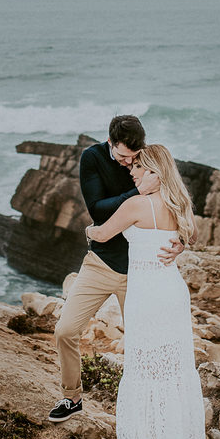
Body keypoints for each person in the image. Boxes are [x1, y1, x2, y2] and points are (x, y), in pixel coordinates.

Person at [49, 115, 183, 423]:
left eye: (134, 158)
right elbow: (97, 209)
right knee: (65, 330)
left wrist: (181, 242)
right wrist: (137, 193)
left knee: (143, 343)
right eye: (123, 157)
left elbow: (174, 203)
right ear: (111, 143)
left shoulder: (146, 160)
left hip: (141, 271)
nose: (128, 164)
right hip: (101, 262)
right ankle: (72, 398)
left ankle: (150, 409)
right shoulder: (92, 158)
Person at [86, 144, 206, 439]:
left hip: (146, 293)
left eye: (137, 166)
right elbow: (192, 234)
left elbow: (103, 233)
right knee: (172, 366)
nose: (132, 171)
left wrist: (89, 230)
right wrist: (178, 244)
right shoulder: (177, 202)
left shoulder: (135, 204)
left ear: (153, 171)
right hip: (172, 290)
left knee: (145, 363)